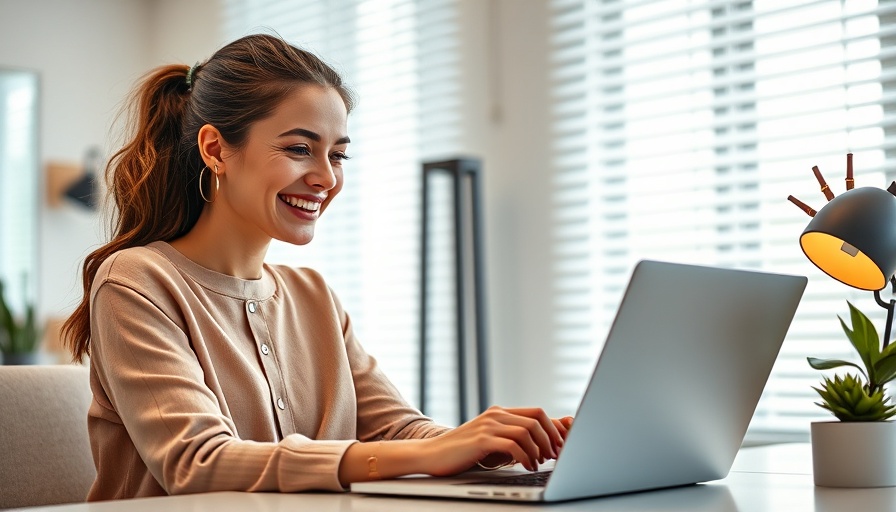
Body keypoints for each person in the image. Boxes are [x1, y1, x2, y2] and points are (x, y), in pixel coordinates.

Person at [62, 33, 572, 501]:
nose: (326, 178)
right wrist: (431, 454)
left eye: (339, 156)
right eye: (300, 149)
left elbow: (395, 431)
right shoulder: (137, 282)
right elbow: (198, 463)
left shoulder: (312, 294)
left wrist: (481, 445)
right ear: (216, 150)